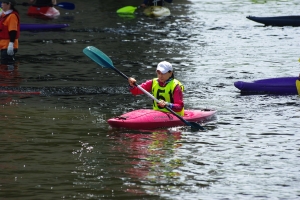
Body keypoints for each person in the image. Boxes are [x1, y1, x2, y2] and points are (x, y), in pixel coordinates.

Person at [0, 0, 20, 65]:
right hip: (3, 45)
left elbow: (13, 31)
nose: (1, 4)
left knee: (7, 65)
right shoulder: (3, 15)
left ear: (9, 4)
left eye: (3, 3)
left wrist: (11, 45)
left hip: (8, 46)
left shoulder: (12, 16)